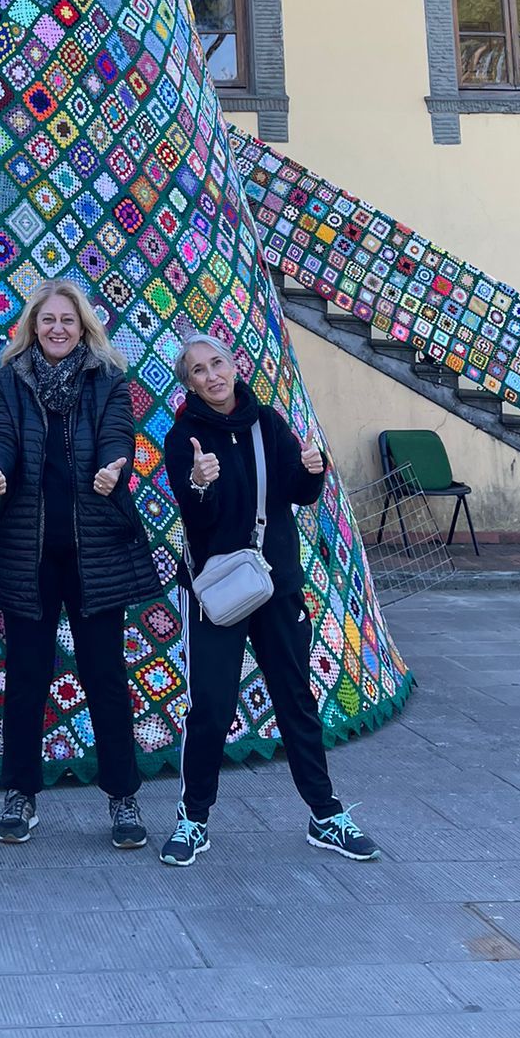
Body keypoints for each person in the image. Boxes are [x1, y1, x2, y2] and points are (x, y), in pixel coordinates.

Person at [159, 332, 380, 866]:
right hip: (217, 591)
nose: (212, 376)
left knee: (295, 698)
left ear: (234, 366)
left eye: (217, 363)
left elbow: (296, 494)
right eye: (198, 371)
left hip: (276, 584)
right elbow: (197, 520)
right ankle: (193, 818)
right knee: (211, 705)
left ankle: (325, 814)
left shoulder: (268, 424)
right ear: (189, 384)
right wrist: (200, 483)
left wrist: (312, 471)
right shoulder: (184, 436)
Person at [0, 278, 159, 851]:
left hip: (95, 552)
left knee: (105, 676)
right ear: (33, 326)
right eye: (48, 319)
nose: (58, 328)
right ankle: (20, 794)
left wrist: (113, 466)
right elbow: (1, 438)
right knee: (25, 676)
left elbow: (117, 436)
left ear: (84, 328)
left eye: (68, 320)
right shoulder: (11, 379)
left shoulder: (108, 379)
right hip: (28, 553)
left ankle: (122, 796)